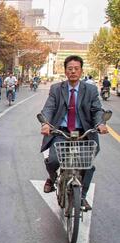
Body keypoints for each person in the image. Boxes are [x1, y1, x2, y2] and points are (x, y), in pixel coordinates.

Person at [40, 55, 108, 211]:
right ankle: (52, 179)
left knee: (88, 166)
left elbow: (97, 110)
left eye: (76, 68)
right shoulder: (56, 89)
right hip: (60, 132)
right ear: (65, 71)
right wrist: (45, 123)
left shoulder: (90, 89)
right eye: (70, 69)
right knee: (52, 161)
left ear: (81, 71)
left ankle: (82, 196)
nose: (73, 71)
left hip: (84, 133)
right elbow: (49, 108)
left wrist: (101, 123)